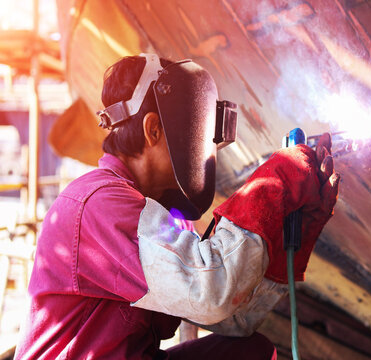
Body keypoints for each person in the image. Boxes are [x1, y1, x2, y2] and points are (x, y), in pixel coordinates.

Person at [14, 54, 339, 359]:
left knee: (248, 352)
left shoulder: (162, 217)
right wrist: (271, 185)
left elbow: (234, 319)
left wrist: (289, 225)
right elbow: (209, 294)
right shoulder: (100, 203)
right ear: (153, 129)